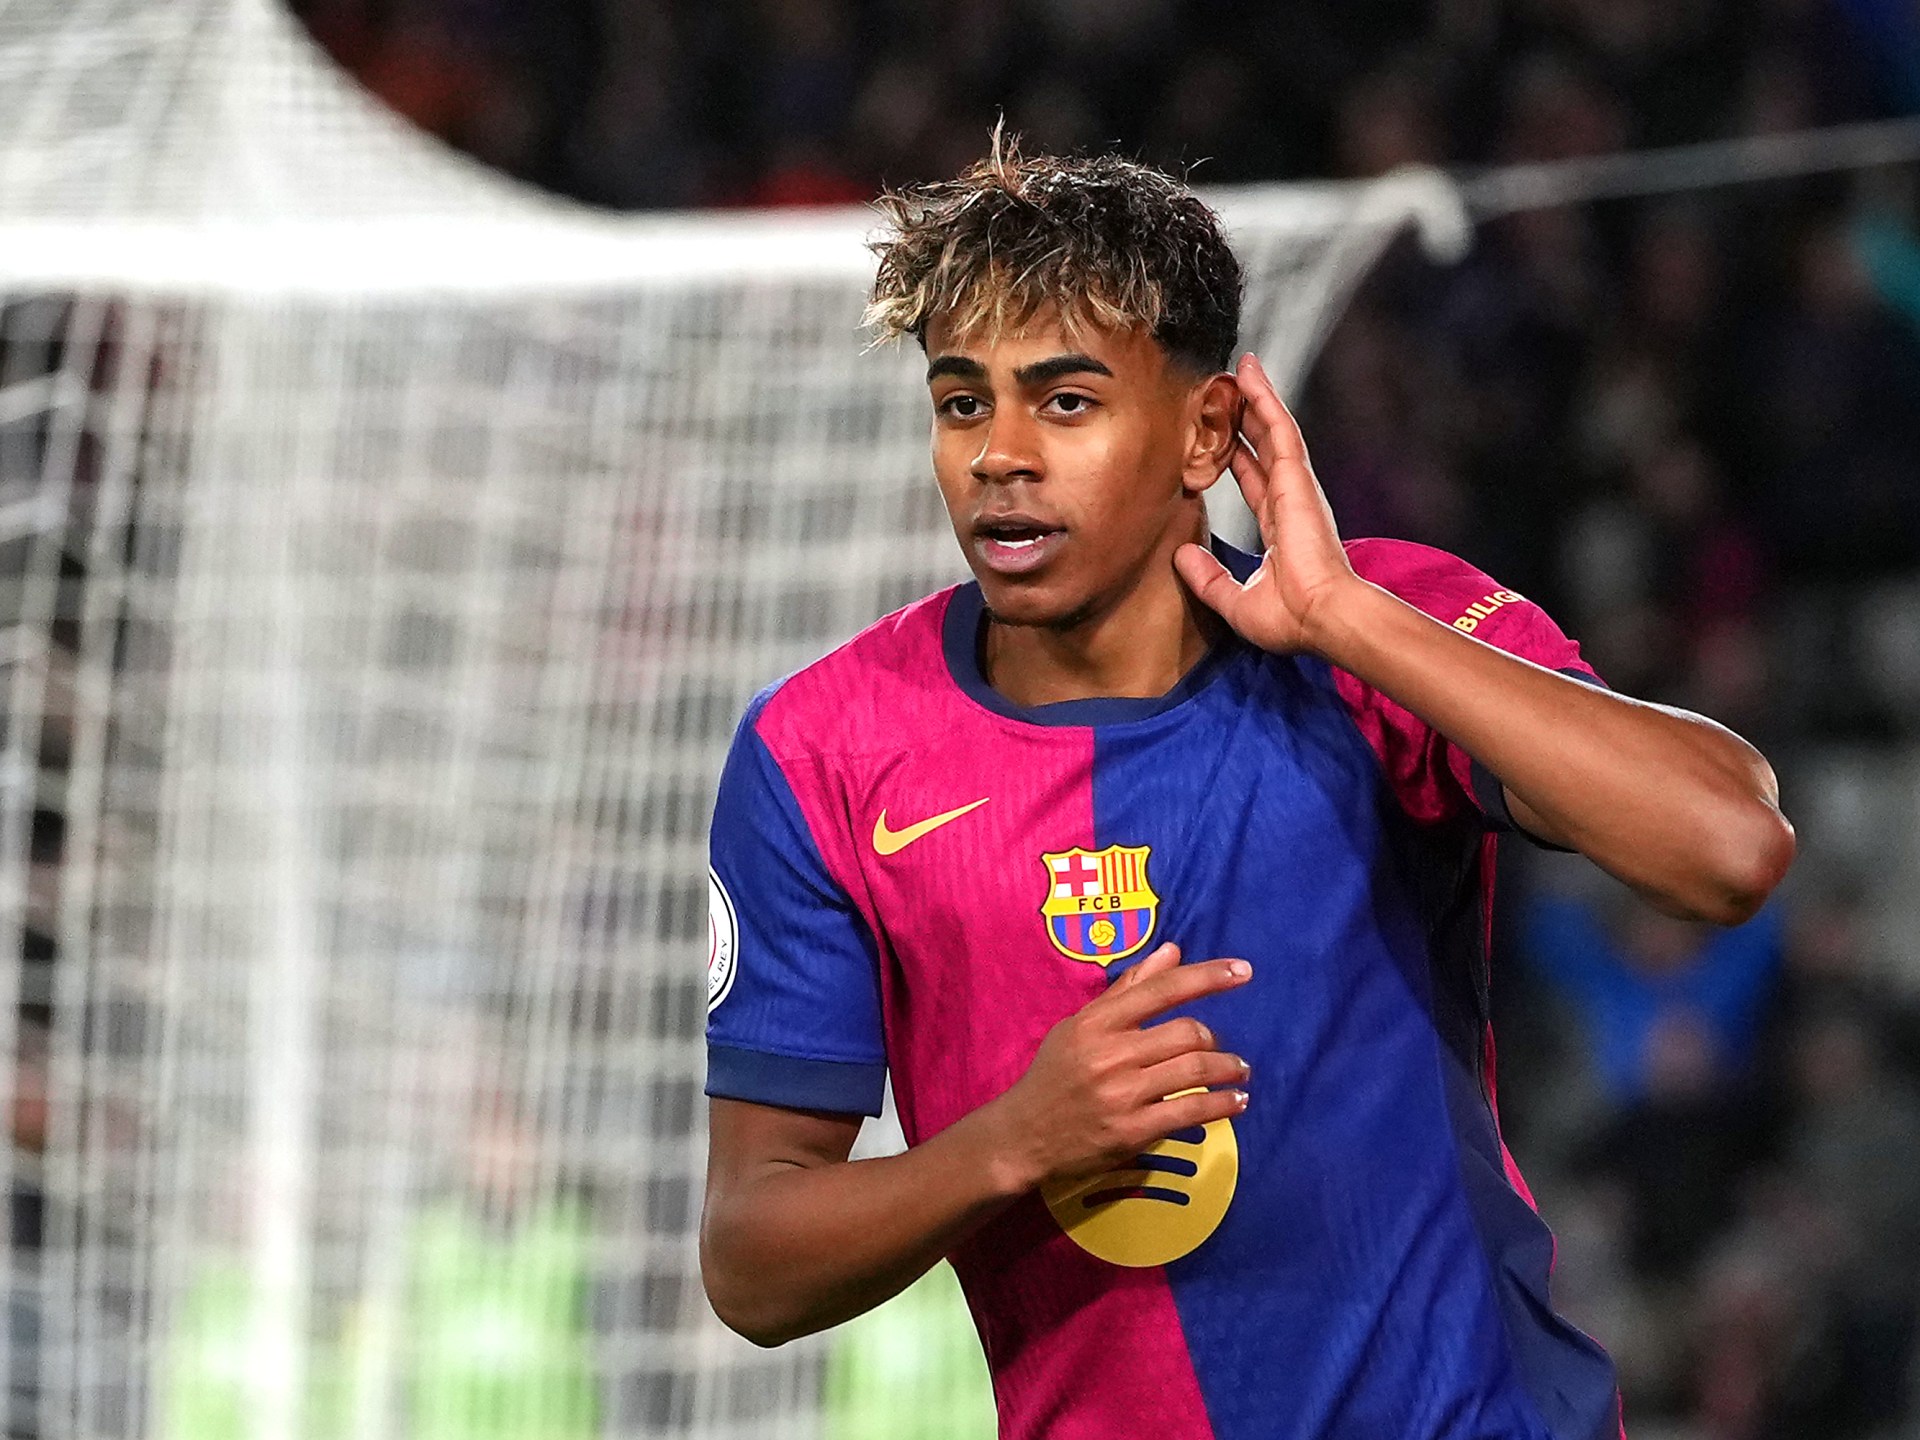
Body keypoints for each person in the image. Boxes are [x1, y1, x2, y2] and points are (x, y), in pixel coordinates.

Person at [698, 136, 1795, 1440]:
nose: (999, 455)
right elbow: (752, 1262)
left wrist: (1346, 617)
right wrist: (1012, 1142)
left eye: (1065, 402)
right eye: (962, 403)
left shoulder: (1388, 637)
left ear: (1207, 431)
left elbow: (1729, 848)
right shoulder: (823, 752)